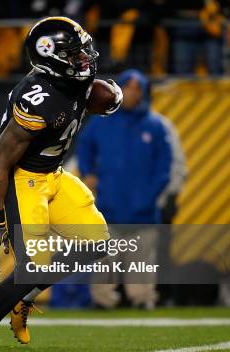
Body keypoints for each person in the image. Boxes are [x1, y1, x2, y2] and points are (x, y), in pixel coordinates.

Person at [0, 17, 123, 344]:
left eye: (84, 51)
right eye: (75, 55)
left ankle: (24, 300)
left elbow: (93, 93)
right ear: (51, 58)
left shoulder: (73, 81)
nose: (85, 60)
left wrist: (104, 95)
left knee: (97, 242)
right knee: (33, 266)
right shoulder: (36, 98)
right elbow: (1, 162)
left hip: (53, 174)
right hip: (22, 177)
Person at [77, 69, 173, 309]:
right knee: (104, 260)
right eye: (128, 87)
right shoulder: (101, 122)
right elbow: (84, 147)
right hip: (108, 206)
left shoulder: (156, 126)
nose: (132, 93)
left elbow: (165, 167)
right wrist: (88, 173)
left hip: (143, 211)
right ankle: (103, 300)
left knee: (141, 262)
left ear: (143, 93)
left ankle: (142, 299)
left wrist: (150, 196)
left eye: (137, 88)